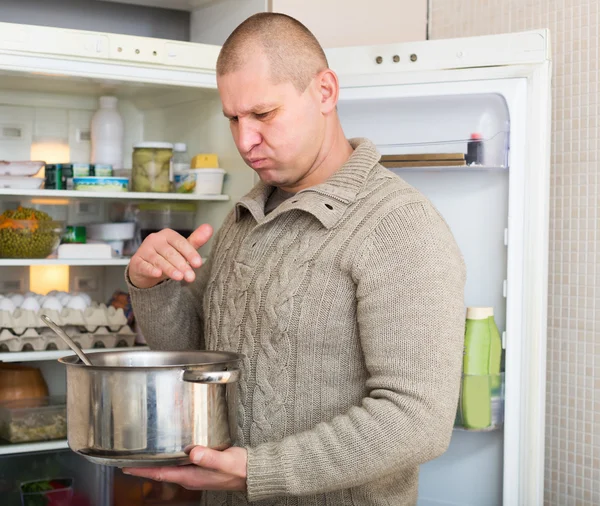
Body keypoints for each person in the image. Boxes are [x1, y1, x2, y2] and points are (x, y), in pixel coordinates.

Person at [124, 12, 466, 506]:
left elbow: (417, 420)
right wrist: (151, 284)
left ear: (325, 92)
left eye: (263, 114)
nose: (244, 141)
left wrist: (256, 471)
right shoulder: (246, 213)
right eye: (234, 119)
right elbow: (197, 354)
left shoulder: (399, 226)